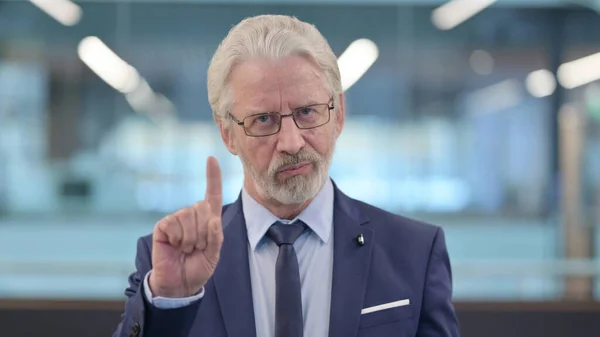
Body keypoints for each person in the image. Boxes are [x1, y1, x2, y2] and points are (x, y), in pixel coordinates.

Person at [113, 14, 460, 337]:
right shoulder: (170, 262)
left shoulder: (414, 252)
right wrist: (171, 300)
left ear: (338, 115)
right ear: (228, 134)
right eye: (263, 119)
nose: (292, 143)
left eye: (307, 112)